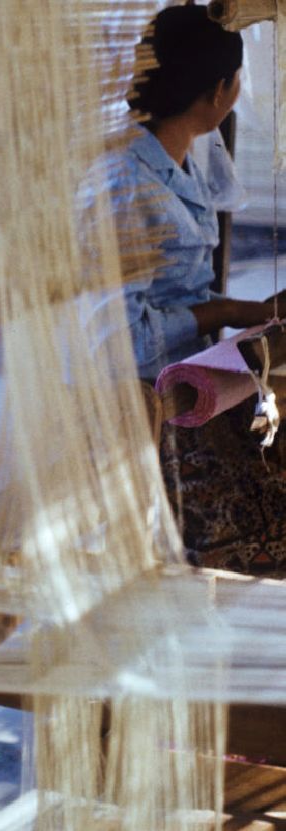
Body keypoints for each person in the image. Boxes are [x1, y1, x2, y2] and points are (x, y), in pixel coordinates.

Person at [116, 5, 286, 574]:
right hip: (149, 402)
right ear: (218, 91)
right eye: (237, 81)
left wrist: (253, 315)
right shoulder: (128, 183)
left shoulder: (179, 159)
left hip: (186, 381)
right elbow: (129, 339)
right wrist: (233, 309)